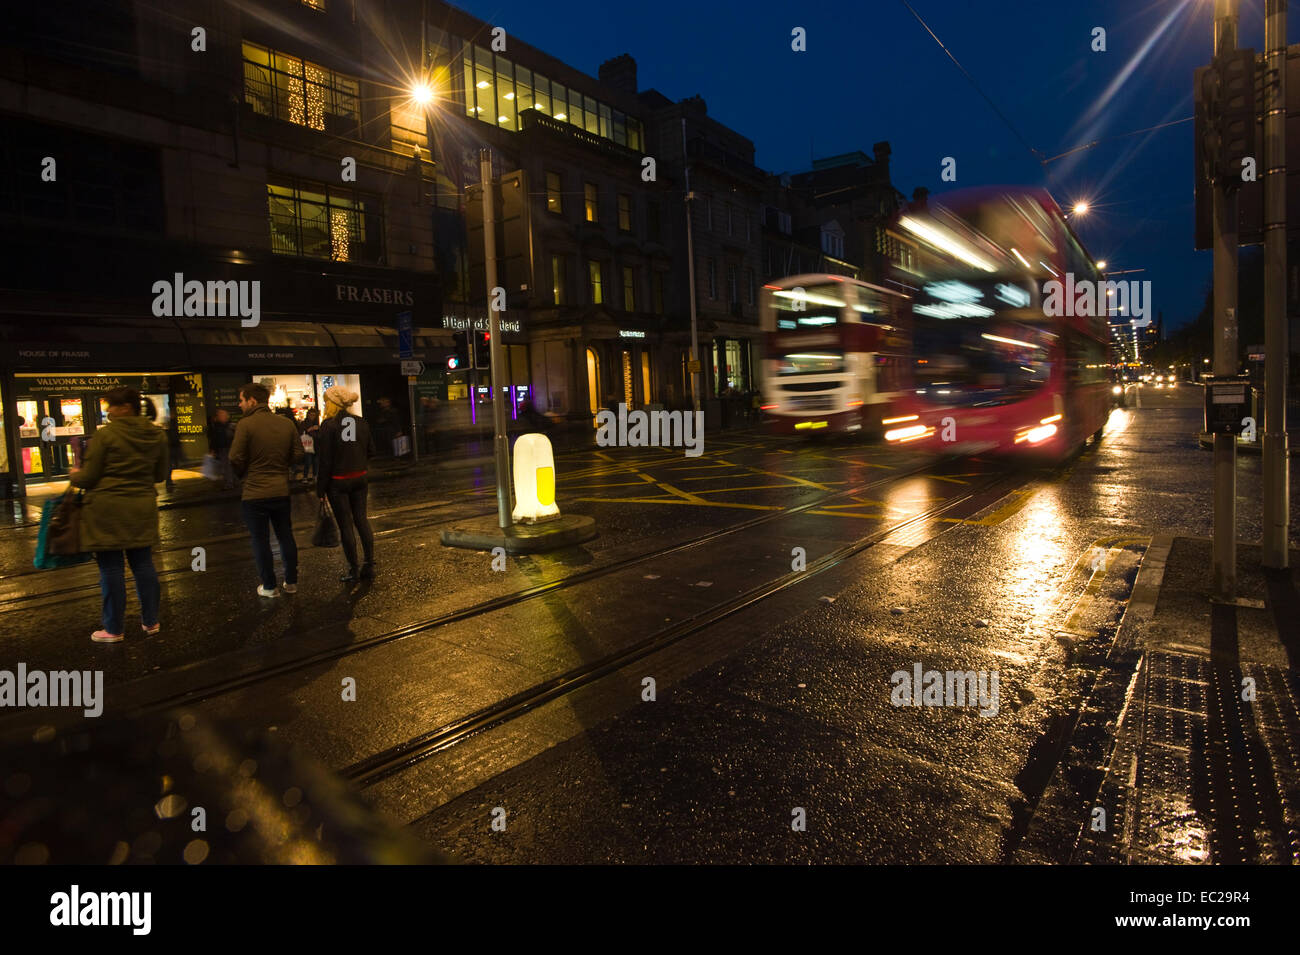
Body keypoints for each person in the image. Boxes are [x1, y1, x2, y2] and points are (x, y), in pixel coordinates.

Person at [69, 386, 168, 643]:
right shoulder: (157, 435)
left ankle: (113, 628)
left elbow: (88, 478)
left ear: (125, 407)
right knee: (144, 564)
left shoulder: (106, 435)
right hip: (142, 507)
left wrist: (75, 474)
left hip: (107, 510)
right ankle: (151, 621)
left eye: (111, 406)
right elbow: (159, 475)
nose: (108, 411)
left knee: (111, 569)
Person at [229, 383, 304, 598]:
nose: (239, 404)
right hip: (281, 490)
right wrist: (282, 466)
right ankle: (291, 582)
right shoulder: (286, 423)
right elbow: (298, 454)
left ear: (252, 401)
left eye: (241, 400)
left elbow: (235, 457)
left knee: (260, 540)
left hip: (254, 493)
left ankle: (269, 586)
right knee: (285, 536)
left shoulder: (245, 424)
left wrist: (244, 472)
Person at [315, 385, 376, 582]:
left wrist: (320, 488)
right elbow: (371, 451)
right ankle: (369, 564)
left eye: (326, 400)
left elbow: (325, 461)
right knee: (361, 520)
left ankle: (353, 569)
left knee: (346, 526)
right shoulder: (360, 422)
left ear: (333, 403)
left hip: (338, 482)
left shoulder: (328, 426)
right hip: (359, 478)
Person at [207, 409, 236, 489]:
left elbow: (215, 438)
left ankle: (229, 483)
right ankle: (229, 482)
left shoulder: (225, 426)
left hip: (226, 448)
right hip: (224, 448)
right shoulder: (223, 426)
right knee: (226, 466)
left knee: (227, 466)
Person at [299, 408, 320, 482]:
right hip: (308, 445)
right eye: (311, 415)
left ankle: (315, 476)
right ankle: (305, 477)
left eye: (314, 415)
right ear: (308, 415)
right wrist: (310, 429)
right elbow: (301, 433)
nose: (312, 416)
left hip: (316, 445)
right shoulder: (304, 423)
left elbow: (319, 434)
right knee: (308, 462)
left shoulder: (317, 423)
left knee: (315, 462)